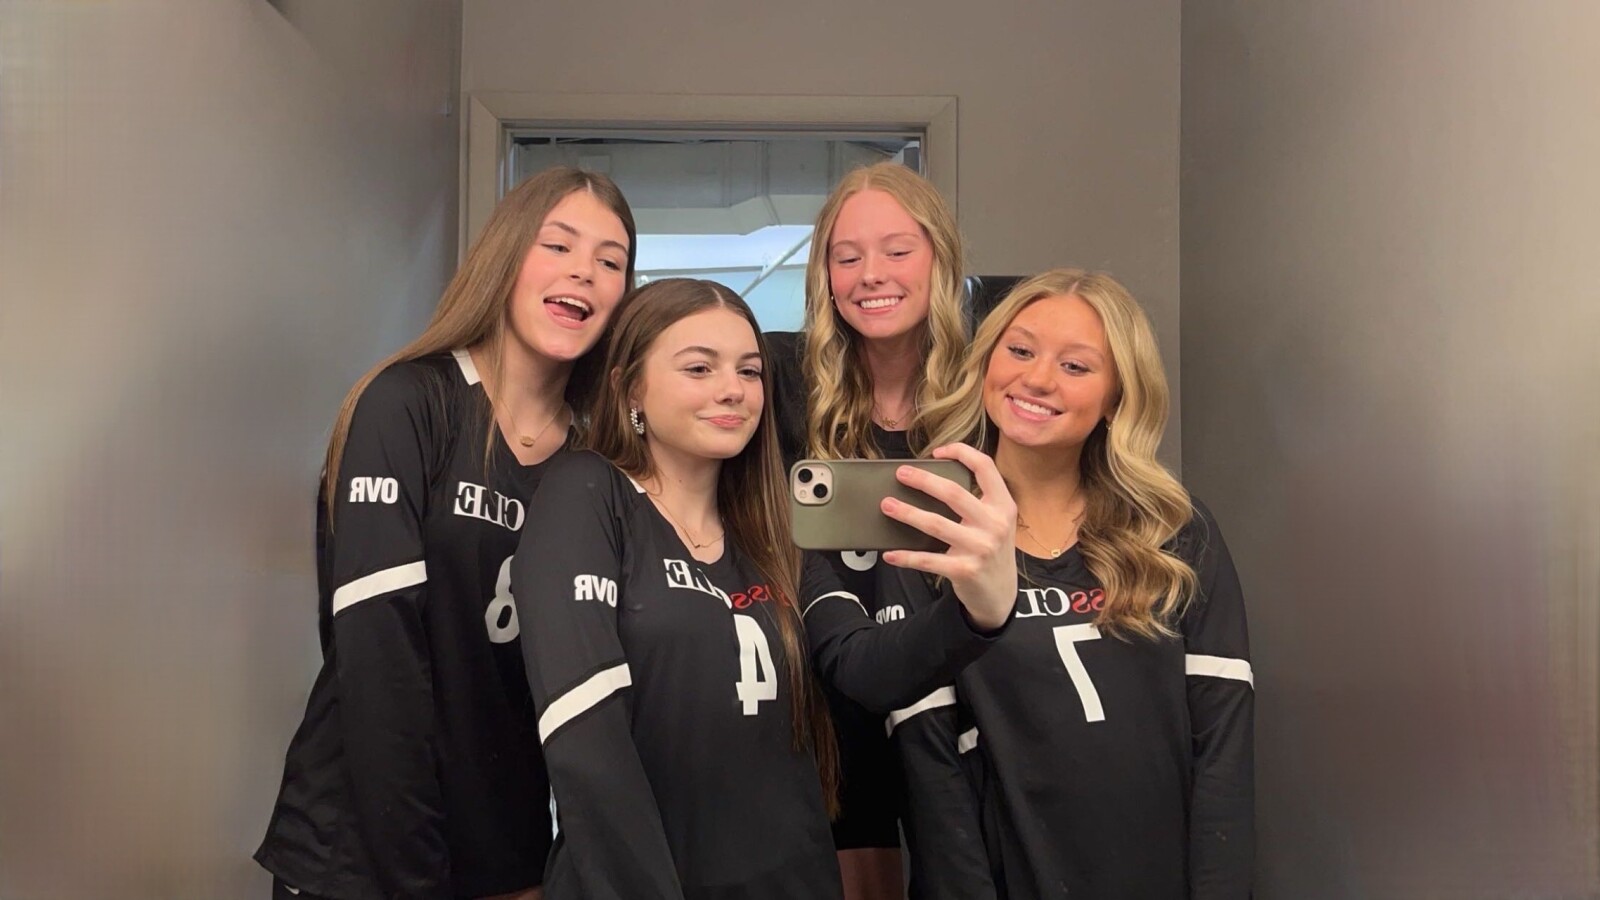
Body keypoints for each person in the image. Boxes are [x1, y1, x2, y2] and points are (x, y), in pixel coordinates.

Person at [511, 278, 1018, 899]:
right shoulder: (587, 492)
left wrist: (980, 608)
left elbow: (867, 669)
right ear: (629, 387)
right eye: (699, 367)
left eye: (749, 371)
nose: (733, 389)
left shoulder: (771, 532)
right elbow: (585, 737)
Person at [255, 166, 637, 900]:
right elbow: (379, 661)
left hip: (507, 858)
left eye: (610, 260)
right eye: (558, 245)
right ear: (507, 256)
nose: (583, 272)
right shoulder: (407, 404)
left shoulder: (596, 467)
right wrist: (416, 879)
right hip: (363, 857)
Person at [894, 268, 1255, 899]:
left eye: (1076, 366)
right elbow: (932, 772)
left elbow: (1223, 744)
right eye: (1020, 350)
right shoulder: (935, 532)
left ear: (1117, 396)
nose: (1037, 379)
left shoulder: (1174, 531)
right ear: (986, 363)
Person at [764, 161, 969, 897]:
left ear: (940, 257)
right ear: (824, 276)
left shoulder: (988, 395)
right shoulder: (781, 381)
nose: (871, 275)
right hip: (821, 699)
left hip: (959, 696)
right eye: (846, 257)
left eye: (897, 250)